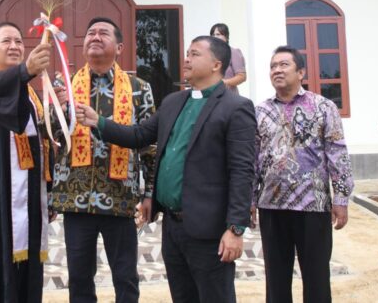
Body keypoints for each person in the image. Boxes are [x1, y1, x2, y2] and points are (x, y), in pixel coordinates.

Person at [76, 36, 256, 303]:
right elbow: (139, 135)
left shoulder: (235, 107)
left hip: (210, 230)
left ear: (216, 64)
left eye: (194, 54)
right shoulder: (174, 101)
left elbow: (242, 170)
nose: (186, 58)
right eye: (187, 53)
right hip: (173, 227)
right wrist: (99, 122)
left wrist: (236, 228)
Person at [51, 17, 156, 303]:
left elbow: (149, 144)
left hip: (120, 197)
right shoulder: (66, 85)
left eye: (103, 33)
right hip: (75, 198)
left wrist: (149, 195)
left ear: (119, 47)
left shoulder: (138, 88)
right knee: (80, 278)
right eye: (90, 33)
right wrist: (57, 110)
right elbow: (53, 140)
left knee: (125, 277)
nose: (95, 37)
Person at [252, 46, 354, 303]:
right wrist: (250, 200)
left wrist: (341, 199)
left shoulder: (323, 107)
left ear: (301, 72)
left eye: (284, 65)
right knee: (276, 279)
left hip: (313, 206)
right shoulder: (260, 111)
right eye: (273, 66)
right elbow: (252, 159)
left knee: (317, 278)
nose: (277, 70)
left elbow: (338, 154)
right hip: (272, 206)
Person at [0, 22, 53, 303]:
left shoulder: (27, 91)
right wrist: (25, 70)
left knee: (27, 254)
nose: (15, 46)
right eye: (7, 41)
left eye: (19, 41)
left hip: (26, 187)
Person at [210, 23, 247, 94]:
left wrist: (223, 83)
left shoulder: (233, 52)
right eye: (213, 35)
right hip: (211, 96)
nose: (215, 37)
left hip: (229, 95)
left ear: (226, 37)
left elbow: (242, 77)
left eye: (218, 34)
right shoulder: (210, 54)